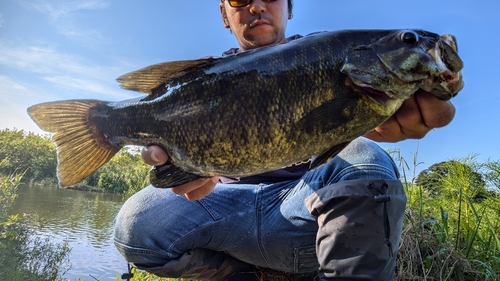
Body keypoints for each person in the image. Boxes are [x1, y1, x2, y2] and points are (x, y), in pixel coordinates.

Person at [113, 0, 456, 280]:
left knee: (369, 157)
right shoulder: (202, 77)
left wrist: (440, 81)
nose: (257, 6)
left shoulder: (329, 51)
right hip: (222, 208)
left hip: (302, 211)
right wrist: (189, 164)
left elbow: (433, 85)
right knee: (136, 224)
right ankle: (241, 274)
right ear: (224, 14)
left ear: (289, 8)